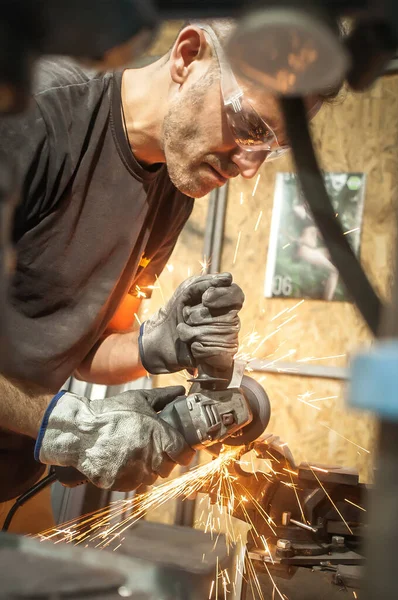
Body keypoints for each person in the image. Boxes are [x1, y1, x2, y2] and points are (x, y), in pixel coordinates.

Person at [0, 19, 336, 534]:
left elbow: (81, 350)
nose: (249, 166)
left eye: (271, 149)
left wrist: (154, 344)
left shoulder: (178, 180)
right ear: (187, 55)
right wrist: (65, 426)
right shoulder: (32, 114)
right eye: (250, 126)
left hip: (11, 481)